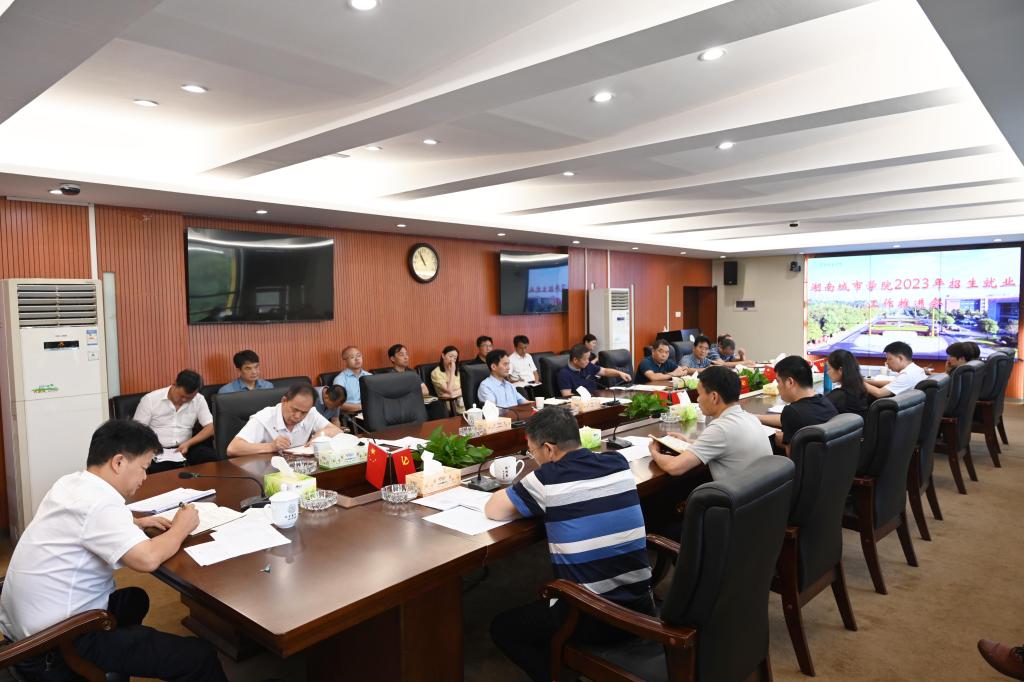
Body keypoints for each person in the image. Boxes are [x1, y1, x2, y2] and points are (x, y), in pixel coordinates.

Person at [0, 419, 227, 682]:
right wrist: (182, 527)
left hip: (26, 628)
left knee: (134, 599)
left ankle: (119, 658)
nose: (144, 478)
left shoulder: (71, 483)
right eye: (143, 468)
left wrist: (136, 523)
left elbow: (83, 523)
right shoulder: (100, 504)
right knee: (199, 656)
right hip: (57, 643)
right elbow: (147, 559)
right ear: (118, 462)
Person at [485, 407, 653, 682]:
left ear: (548, 449)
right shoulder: (617, 461)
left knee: (503, 629)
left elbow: (494, 509)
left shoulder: (547, 478)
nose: (534, 458)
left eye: (532, 452)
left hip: (593, 617)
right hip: (641, 603)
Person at [647, 365, 772, 479]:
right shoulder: (750, 418)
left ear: (714, 397)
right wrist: (688, 441)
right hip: (761, 493)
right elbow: (724, 444)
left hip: (739, 495)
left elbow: (674, 467)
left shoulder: (720, 428)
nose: (697, 399)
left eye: (699, 394)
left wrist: (654, 452)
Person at [227, 383, 341, 456]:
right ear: (284, 401)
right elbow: (233, 448)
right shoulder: (264, 417)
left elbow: (336, 430)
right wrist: (271, 446)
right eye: (294, 409)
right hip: (268, 472)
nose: (298, 416)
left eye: (303, 412)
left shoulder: (311, 413)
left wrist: (320, 435)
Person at [132, 369, 216, 464]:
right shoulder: (150, 400)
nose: (184, 400)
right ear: (174, 384)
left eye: (189, 398)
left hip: (186, 447)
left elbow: (211, 427)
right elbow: (136, 431)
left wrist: (189, 443)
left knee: (213, 457)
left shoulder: (199, 399)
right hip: (157, 450)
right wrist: (150, 447)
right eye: (181, 396)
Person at [756, 356, 837, 454]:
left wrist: (782, 442)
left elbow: (793, 458)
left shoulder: (791, 412)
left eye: (778, 381)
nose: (777, 386)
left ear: (790, 382)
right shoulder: (825, 401)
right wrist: (757, 417)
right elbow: (788, 418)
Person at [556, 344, 630, 396]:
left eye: (588, 358)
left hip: (597, 400)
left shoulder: (587, 365)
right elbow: (567, 395)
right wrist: (586, 398)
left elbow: (604, 371)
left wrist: (620, 373)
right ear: (575, 360)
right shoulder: (564, 374)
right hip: (581, 405)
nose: (588, 361)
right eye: (585, 359)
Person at [825, 349, 872, 417]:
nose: (827, 372)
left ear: (840, 370)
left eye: (829, 369)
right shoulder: (861, 390)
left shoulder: (840, 396)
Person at [333, 346, 372, 415]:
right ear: (345, 361)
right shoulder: (340, 379)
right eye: (352, 357)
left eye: (359, 356)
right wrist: (363, 407)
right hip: (352, 414)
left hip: (372, 411)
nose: (357, 359)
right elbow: (337, 404)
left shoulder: (370, 376)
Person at [430, 346, 465, 414]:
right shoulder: (436, 373)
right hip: (449, 406)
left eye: (455, 358)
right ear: (443, 355)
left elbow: (465, 388)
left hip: (463, 403)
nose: (452, 360)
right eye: (450, 356)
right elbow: (449, 390)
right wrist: (452, 372)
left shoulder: (458, 371)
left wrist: (452, 394)